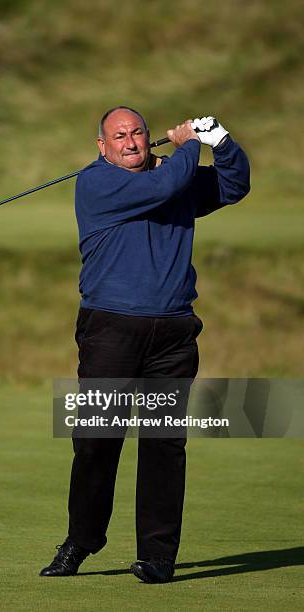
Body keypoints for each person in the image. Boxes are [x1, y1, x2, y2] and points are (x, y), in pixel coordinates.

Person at [40, 107, 250, 583]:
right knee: (96, 440)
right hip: (110, 330)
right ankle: (81, 541)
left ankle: (158, 556)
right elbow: (163, 187)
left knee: (163, 444)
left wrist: (222, 141)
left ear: (147, 137)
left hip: (172, 334)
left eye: (137, 133)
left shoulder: (172, 178)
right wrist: (189, 145)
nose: (131, 142)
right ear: (102, 146)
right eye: (119, 136)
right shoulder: (96, 184)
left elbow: (234, 185)